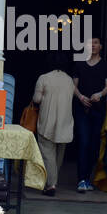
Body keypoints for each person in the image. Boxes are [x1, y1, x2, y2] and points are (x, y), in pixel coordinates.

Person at [31, 54, 76, 196]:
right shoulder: (70, 80)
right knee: (58, 155)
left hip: (47, 121)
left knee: (47, 154)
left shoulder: (43, 78)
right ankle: (52, 181)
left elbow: (37, 99)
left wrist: (44, 97)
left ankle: (51, 184)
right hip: (65, 122)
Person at [72, 36, 107, 192]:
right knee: (83, 142)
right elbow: (73, 85)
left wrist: (100, 95)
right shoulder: (79, 64)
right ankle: (81, 179)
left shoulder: (106, 65)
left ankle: (88, 178)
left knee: (95, 145)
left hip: (98, 109)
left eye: (95, 43)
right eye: (90, 43)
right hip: (82, 109)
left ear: (100, 46)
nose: (93, 45)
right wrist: (80, 97)